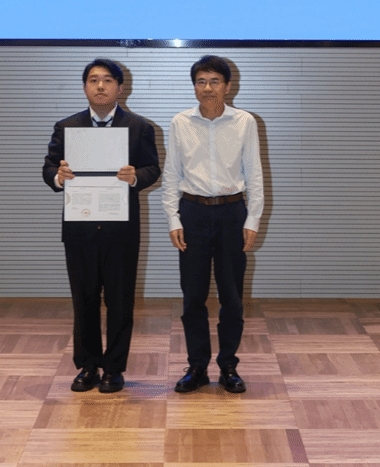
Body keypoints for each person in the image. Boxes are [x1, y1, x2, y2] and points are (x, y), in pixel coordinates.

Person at [43, 58, 160, 393]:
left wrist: (135, 176)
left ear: (120, 88)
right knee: (84, 301)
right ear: (84, 87)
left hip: (121, 231)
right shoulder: (67, 127)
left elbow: (153, 169)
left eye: (108, 80)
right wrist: (58, 176)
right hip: (79, 229)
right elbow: (48, 168)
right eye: (93, 80)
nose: (100, 86)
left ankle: (114, 368)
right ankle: (88, 365)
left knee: (120, 302)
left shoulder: (139, 127)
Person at [162, 55, 264, 394]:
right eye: (201, 81)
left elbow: (254, 173)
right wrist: (173, 218)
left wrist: (252, 219)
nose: (207, 88)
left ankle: (229, 366)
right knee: (193, 296)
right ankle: (197, 367)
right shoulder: (180, 122)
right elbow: (172, 174)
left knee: (231, 296)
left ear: (228, 86)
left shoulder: (244, 122)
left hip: (232, 213)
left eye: (214, 81)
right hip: (192, 212)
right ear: (194, 86)